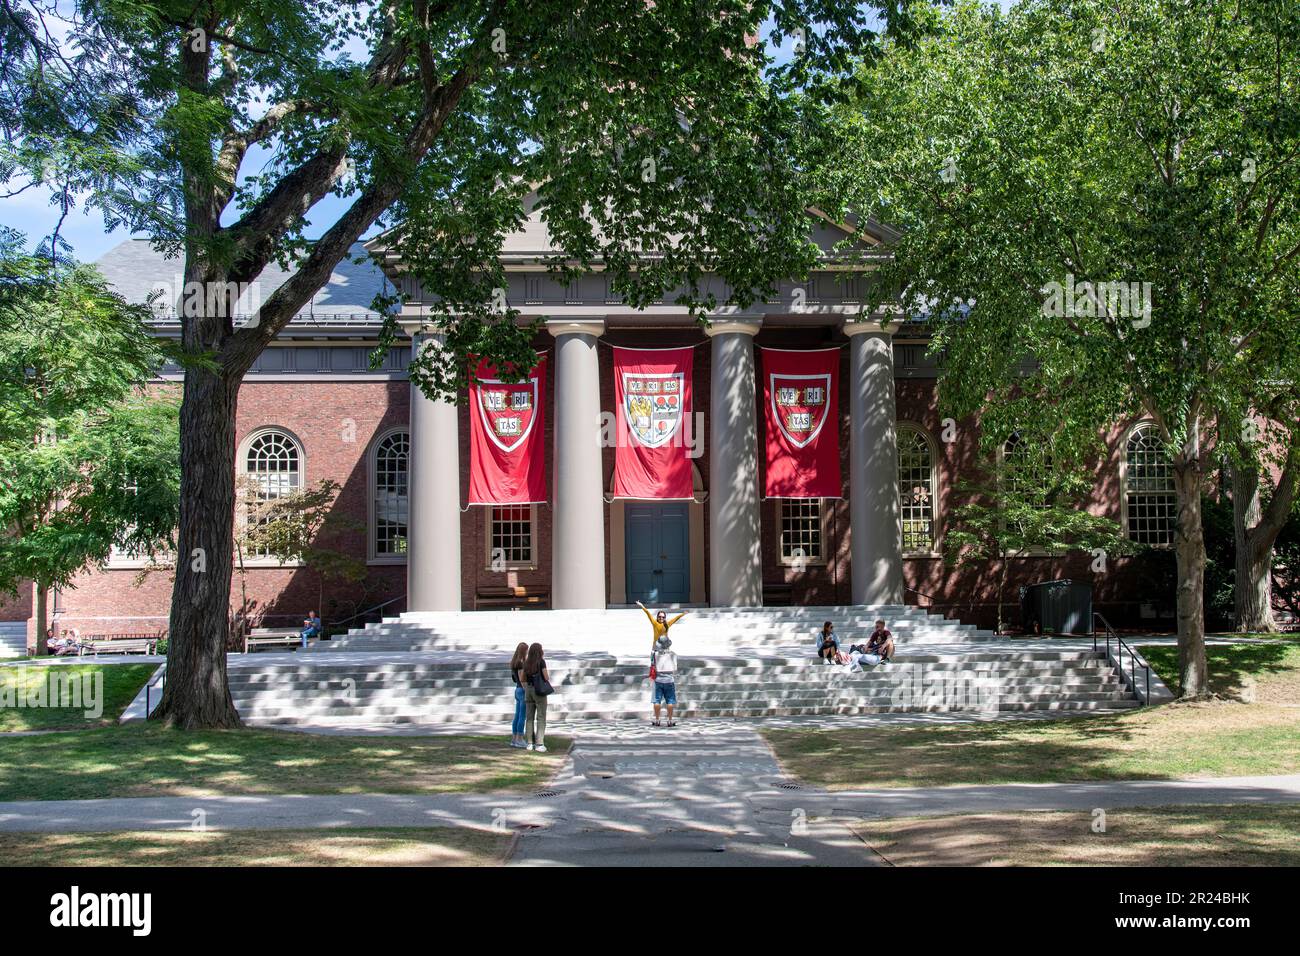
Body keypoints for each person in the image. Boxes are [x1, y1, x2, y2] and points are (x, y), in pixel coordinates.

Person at [521, 642, 551, 753]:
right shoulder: (541, 662)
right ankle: (539, 743)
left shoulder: (527, 662)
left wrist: (526, 687)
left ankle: (529, 743)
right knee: (541, 717)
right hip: (539, 690)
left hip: (528, 689)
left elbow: (522, 678)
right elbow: (546, 677)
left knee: (529, 718)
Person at [651, 636, 679, 727]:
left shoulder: (654, 654)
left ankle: (657, 719)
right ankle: (670, 720)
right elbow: (675, 668)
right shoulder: (673, 654)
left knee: (657, 701)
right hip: (669, 680)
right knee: (670, 701)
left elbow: (652, 665)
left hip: (658, 679)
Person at [509, 642, 529, 748]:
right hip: (522, 690)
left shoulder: (514, 662)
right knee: (522, 716)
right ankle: (520, 739)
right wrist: (527, 691)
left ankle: (514, 738)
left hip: (517, 689)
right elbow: (522, 679)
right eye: (527, 650)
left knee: (517, 715)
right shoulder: (521, 663)